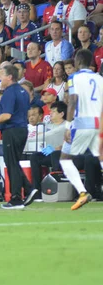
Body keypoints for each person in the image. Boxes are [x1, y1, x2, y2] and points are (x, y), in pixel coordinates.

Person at [0, 64, 36, 209]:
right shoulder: (23, 91)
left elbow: (6, 115)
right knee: (14, 162)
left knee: (11, 163)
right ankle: (28, 189)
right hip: (22, 129)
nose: (0, 77)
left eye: (2, 75)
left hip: (12, 130)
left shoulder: (9, 92)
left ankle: (16, 198)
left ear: (9, 77)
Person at [60, 49, 103, 210]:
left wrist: (67, 126)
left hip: (81, 124)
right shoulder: (99, 78)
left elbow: (72, 101)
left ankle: (83, 193)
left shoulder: (74, 78)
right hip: (99, 123)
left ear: (77, 62)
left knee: (65, 158)